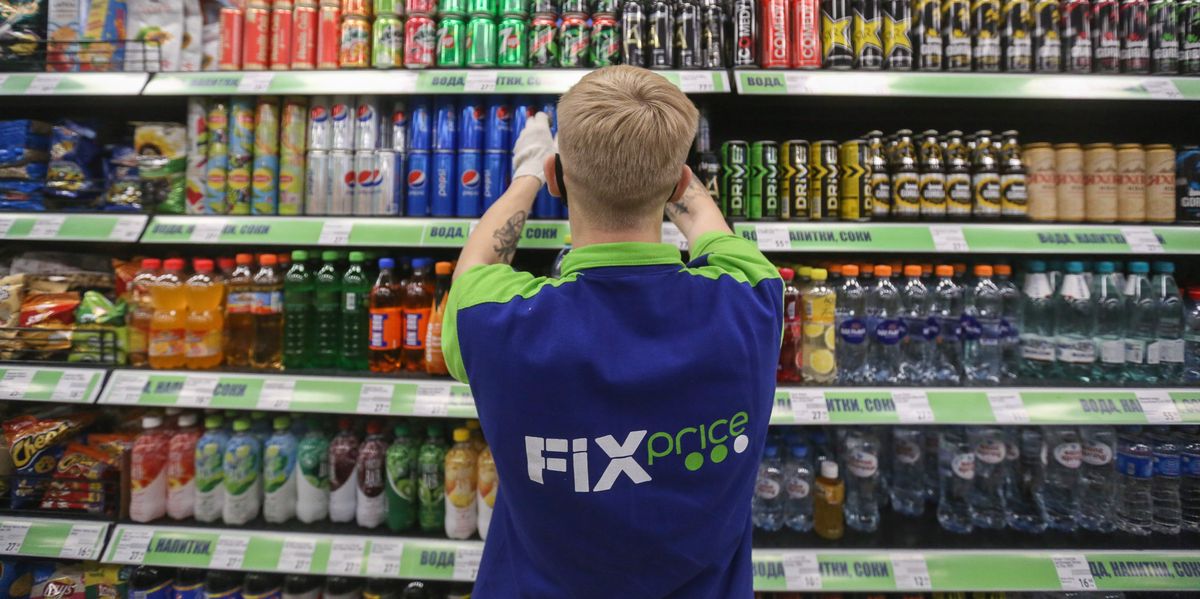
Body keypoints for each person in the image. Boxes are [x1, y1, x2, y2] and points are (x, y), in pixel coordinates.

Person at [443, 66, 783, 598]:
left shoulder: (493, 322)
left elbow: (478, 262)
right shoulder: (752, 302)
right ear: (679, 183)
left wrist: (526, 177)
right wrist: (670, 173)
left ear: (559, 178)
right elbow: (709, 227)